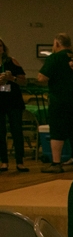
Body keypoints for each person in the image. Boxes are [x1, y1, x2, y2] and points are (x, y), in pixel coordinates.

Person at [37, 33, 73, 172]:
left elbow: (42, 77)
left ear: (57, 44)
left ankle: (56, 163)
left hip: (59, 100)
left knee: (57, 131)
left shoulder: (54, 58)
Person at [0, 38, 27, 172]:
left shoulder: (11, 61)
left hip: (13, 101)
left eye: (0, 46)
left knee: (16, 130)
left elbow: (24, 81)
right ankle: (4, 161)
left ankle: (19, 161)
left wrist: (12, 78)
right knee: (0, 132)